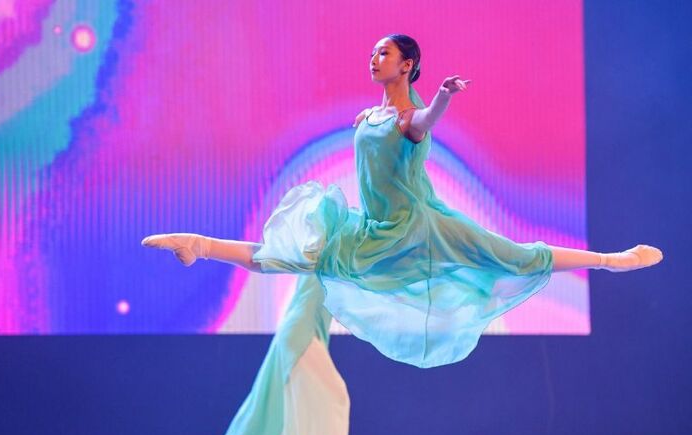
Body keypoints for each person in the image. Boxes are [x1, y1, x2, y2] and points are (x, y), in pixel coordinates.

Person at [143, 34, 662, 369]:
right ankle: (196, 244)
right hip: (374, 231)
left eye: (384, 54)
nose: (373, 59)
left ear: (407, 65)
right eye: (373, 53)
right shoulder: (369, 117)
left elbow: (427, 120)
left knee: (516, 256)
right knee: (291, 255)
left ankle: (612, 260)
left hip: (421, 227)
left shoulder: (408, 118)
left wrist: (443, 96)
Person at [194, 274, 350, 435]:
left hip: (304, 330)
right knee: (335, 393)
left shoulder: (332, 262)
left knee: (268, 398)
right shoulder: (323, 258)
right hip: (300, 333)